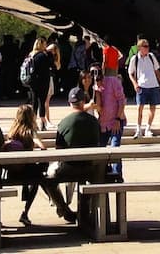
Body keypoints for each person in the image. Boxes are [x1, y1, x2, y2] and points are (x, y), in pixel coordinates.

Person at [4, 103, 76, 226]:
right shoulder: (29, 132)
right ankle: (61, 208)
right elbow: (43, 148)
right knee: (42, 177)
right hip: (25, 172)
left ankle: (61, 208)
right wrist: (37, 143)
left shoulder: (12, 131)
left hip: (12, 172)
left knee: (41, 179)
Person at [53, 87, 103, 224]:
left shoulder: (63, 123)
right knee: (90, 179)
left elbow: (58, 150)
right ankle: (84, 210)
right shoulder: (93, 121)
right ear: (83, 102)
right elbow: (98, 144)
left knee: (47, 180)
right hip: (90, 167)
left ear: (70, 103)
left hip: (69, 168)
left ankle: (63, 208)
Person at [128, 38, 160, 136]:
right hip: (141, 85)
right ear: (140, 48)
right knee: (140, 108)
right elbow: (130, 73)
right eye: (145, 46)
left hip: (153, 85)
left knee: (153, 108)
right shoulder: (134, 59)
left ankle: (148, 128)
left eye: (148, 46)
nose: (147, 48)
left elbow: (157, 70)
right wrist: (135, 84)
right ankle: (138, 128)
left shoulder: (151, 57)